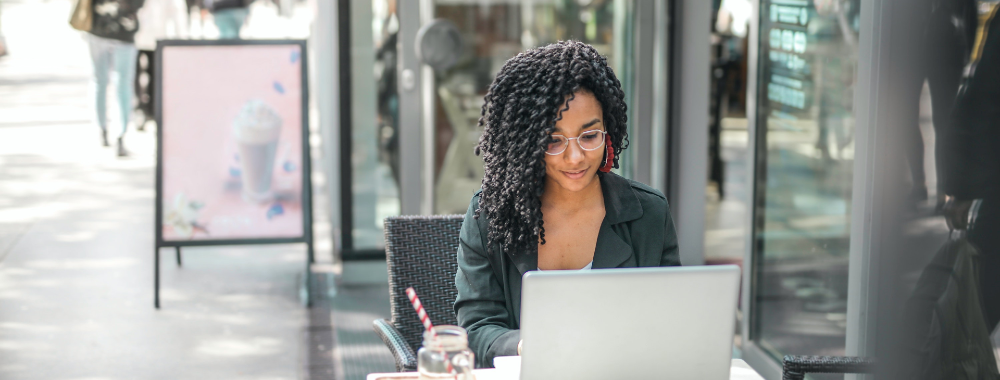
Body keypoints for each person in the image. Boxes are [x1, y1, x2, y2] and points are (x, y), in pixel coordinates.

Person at [453, 41, 681, 368]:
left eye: (589, 136)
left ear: (609, 131)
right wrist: (523, 344)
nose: (575, 158)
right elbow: (476, 329)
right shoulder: (489, 216)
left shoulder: (648, 214)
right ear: (527, 143)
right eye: (553, 140)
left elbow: (671, 325)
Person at [86, 0, 145, 157]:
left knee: (107, 82)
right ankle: (114, 132)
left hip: (107, 27)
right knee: (118, 83)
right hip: (114, 27)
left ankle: (110, 131)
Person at [134, 0, 188, 131]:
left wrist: (180, 38)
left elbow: (176, 9)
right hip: (135, 36)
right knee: (136, 75)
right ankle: (140, 107)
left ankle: (150, 109)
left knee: (154, 75)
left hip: (156, 38)